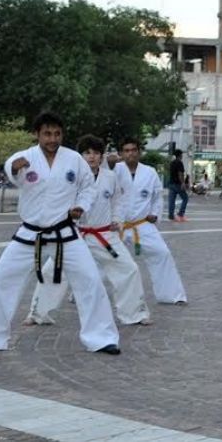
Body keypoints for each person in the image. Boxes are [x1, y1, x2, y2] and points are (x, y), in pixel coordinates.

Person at [0, 112, 120, 356]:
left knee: (90, 280)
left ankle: (101, 338)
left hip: (65, 232)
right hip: (29, 234)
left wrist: (81, 207)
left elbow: (88, 188)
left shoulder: (74, 159)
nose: (52, 138)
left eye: (57, 134)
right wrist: (13, 168)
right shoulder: (24, 158)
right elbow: (12, 175)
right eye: (47, 133)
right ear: (37, 134)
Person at [23, 135, 152, 326]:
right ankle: (37, 313)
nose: (91, 157)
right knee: (53, 270)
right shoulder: (70, 177)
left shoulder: (110, 178)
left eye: (96, 153)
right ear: (80, 156)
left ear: (101, 156)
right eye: (87, 153)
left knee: (129, 269)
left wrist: (117, 220)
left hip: (104, 234)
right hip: (75, 234)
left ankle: (135, 313)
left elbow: (118, 201)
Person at [115, 138, 187, 305]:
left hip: (141, 224)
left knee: (162, 253)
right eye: (126, 150)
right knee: (102, 257)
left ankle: (171, 295)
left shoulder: (150, 172)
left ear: (139, 152)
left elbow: (157, 196)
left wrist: (155, 213)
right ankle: (80, 293)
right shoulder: (113, 170)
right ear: (121, 154)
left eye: (133, 149)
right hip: (117, 226)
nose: (130, 153)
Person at [167, 149, 189, 222]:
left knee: (171, 200)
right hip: (178, 184)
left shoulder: (172, 163)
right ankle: (180, 214)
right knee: (185, 198)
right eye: (181, 154)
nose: (182, 156)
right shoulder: (179, 163)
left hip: (171, 183)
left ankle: (171, 216)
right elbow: (180, 174)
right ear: (180, 155)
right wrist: (183, 183)